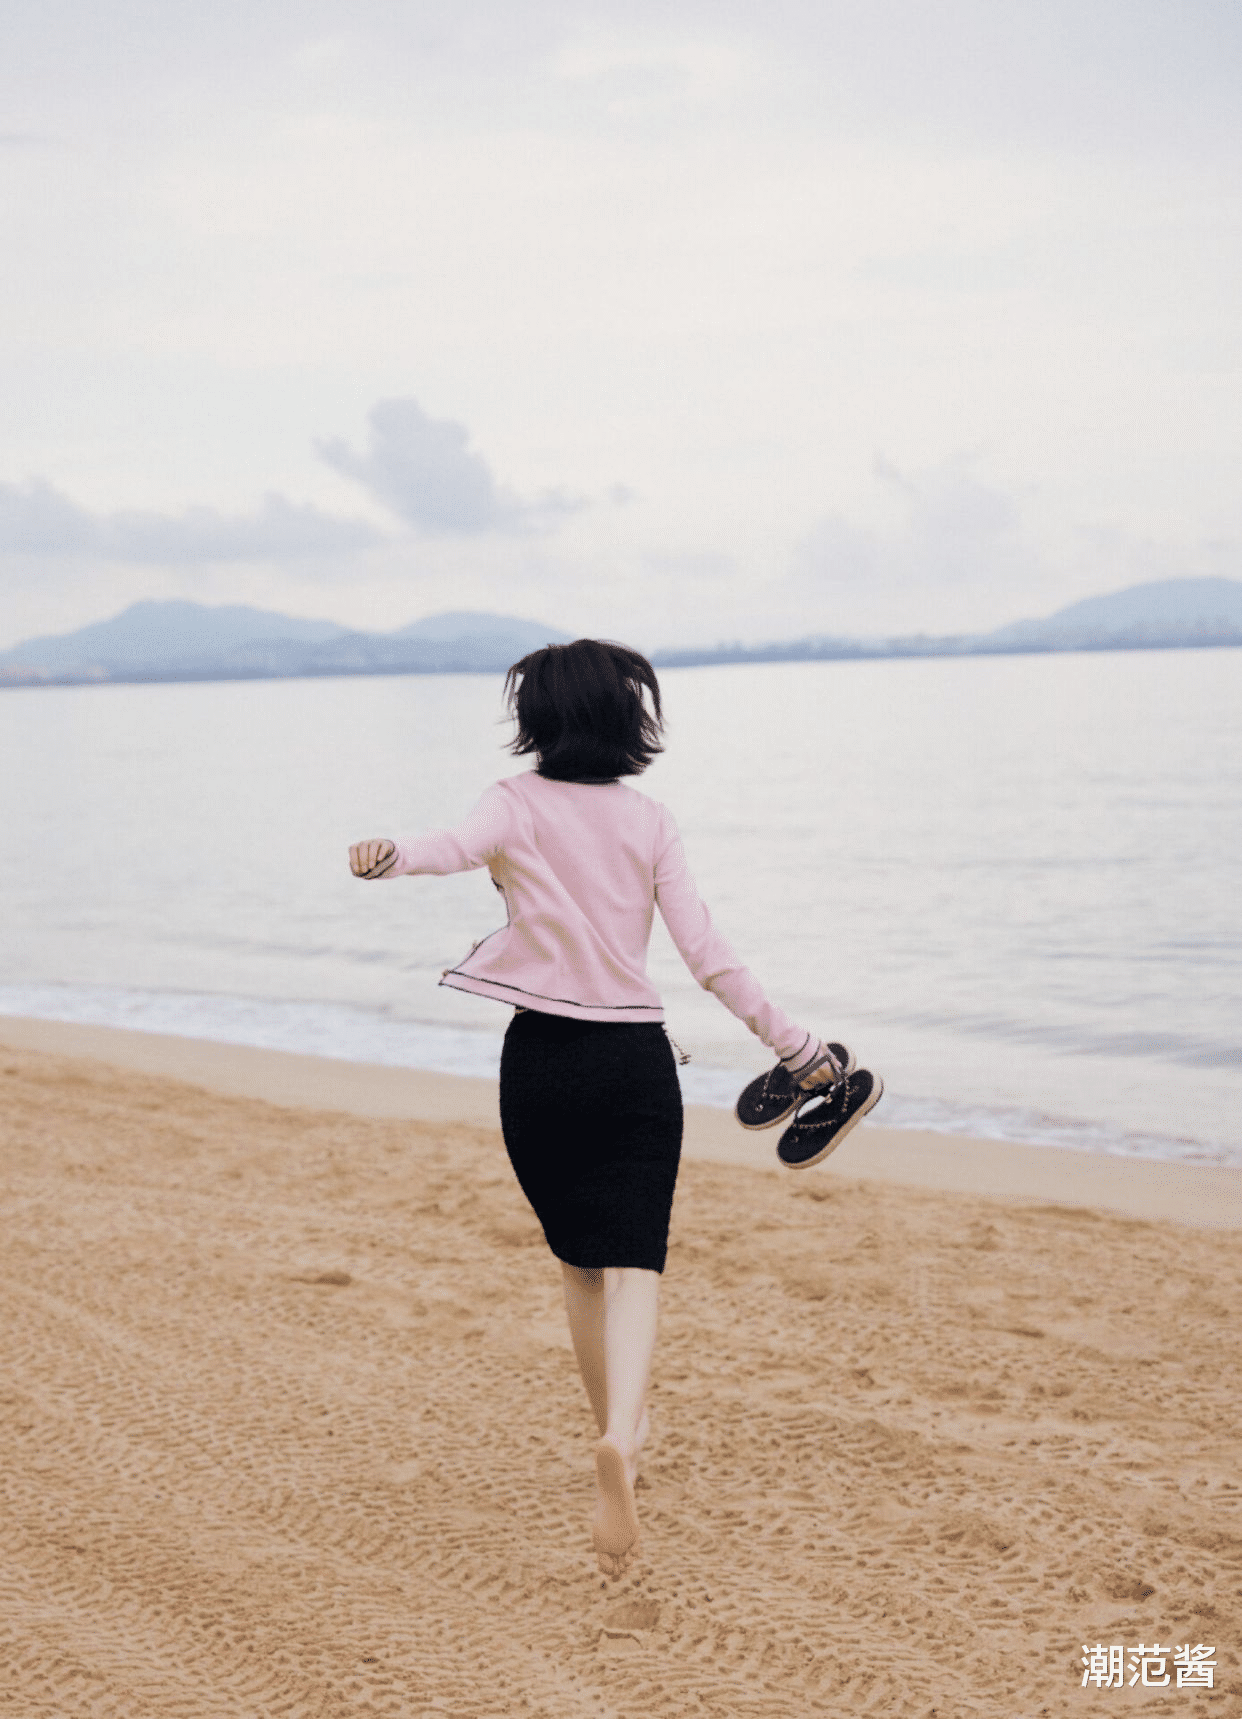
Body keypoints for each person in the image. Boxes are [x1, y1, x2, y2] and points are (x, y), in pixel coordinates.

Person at [348, 638, 880, 1578]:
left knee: (578, 1268)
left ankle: (612, 1427)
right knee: (636, 1266)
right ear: (629, 719)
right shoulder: (650, 821)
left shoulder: (510, 803)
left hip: (541, 1066)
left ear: (538, 721)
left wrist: (389, 857)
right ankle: (623, 1445)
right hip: (633, 1064)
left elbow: (448, 850)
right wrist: (798, 1051)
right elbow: (711, 957)